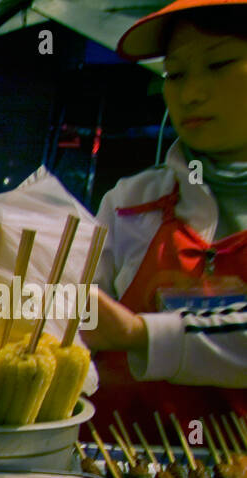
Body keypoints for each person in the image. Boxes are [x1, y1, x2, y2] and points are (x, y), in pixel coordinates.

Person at [86, 0, 247, 424]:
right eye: (175, 74)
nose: (190, 92)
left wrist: (140, 335)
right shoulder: (128, 203)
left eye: (219, 64)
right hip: (109, 473)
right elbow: (74, 323)